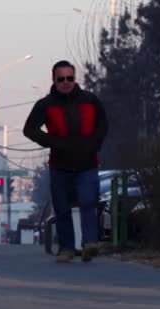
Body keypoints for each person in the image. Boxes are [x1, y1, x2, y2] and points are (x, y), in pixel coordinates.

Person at [23, 60, 108, 263]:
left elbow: (103, 124)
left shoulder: (90, 100)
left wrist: (94, 144)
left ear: (74, 78)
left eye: (69, 78)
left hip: (87, 163)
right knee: (61, 208)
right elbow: (29, 129)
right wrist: (51, 142)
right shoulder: (46, 104)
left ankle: (89, 244)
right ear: (54, 80)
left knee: (89, 202)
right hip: (59, 165)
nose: (66, 82)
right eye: (61, 79)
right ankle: (67, 248)